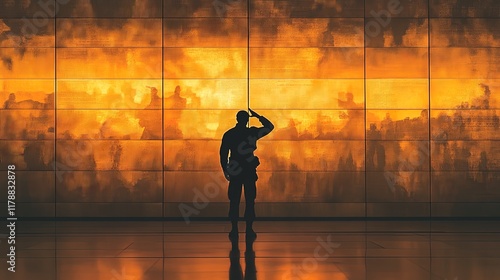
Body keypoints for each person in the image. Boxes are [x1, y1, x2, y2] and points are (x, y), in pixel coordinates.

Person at [220, 109, 274, 240]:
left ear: (237, 119)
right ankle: (249, 228)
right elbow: (269, 127)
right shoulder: (252, 132)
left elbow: (223, 154)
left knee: (234, 200)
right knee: (250, 200)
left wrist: (225, 169)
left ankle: (234, 229)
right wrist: (257, 116)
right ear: (247, 120)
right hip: (248, 169)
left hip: (236, 170)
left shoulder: (230, 134)